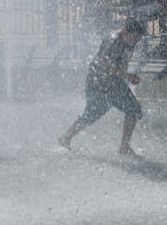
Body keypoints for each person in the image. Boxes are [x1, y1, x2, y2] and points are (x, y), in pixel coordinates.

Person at [58, 17, 145, 155]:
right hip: (98, 83)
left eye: (138, 38)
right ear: (125, 32)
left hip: (114, 83)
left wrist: (127, 76)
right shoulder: (113, 39)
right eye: (135, 37)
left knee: (133, 110)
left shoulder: (129, 42)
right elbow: (103, 61)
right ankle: (66, 137)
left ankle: (124, 146)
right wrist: (127, 76)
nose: (136, 41)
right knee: (91, 115)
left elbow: (120, 62)